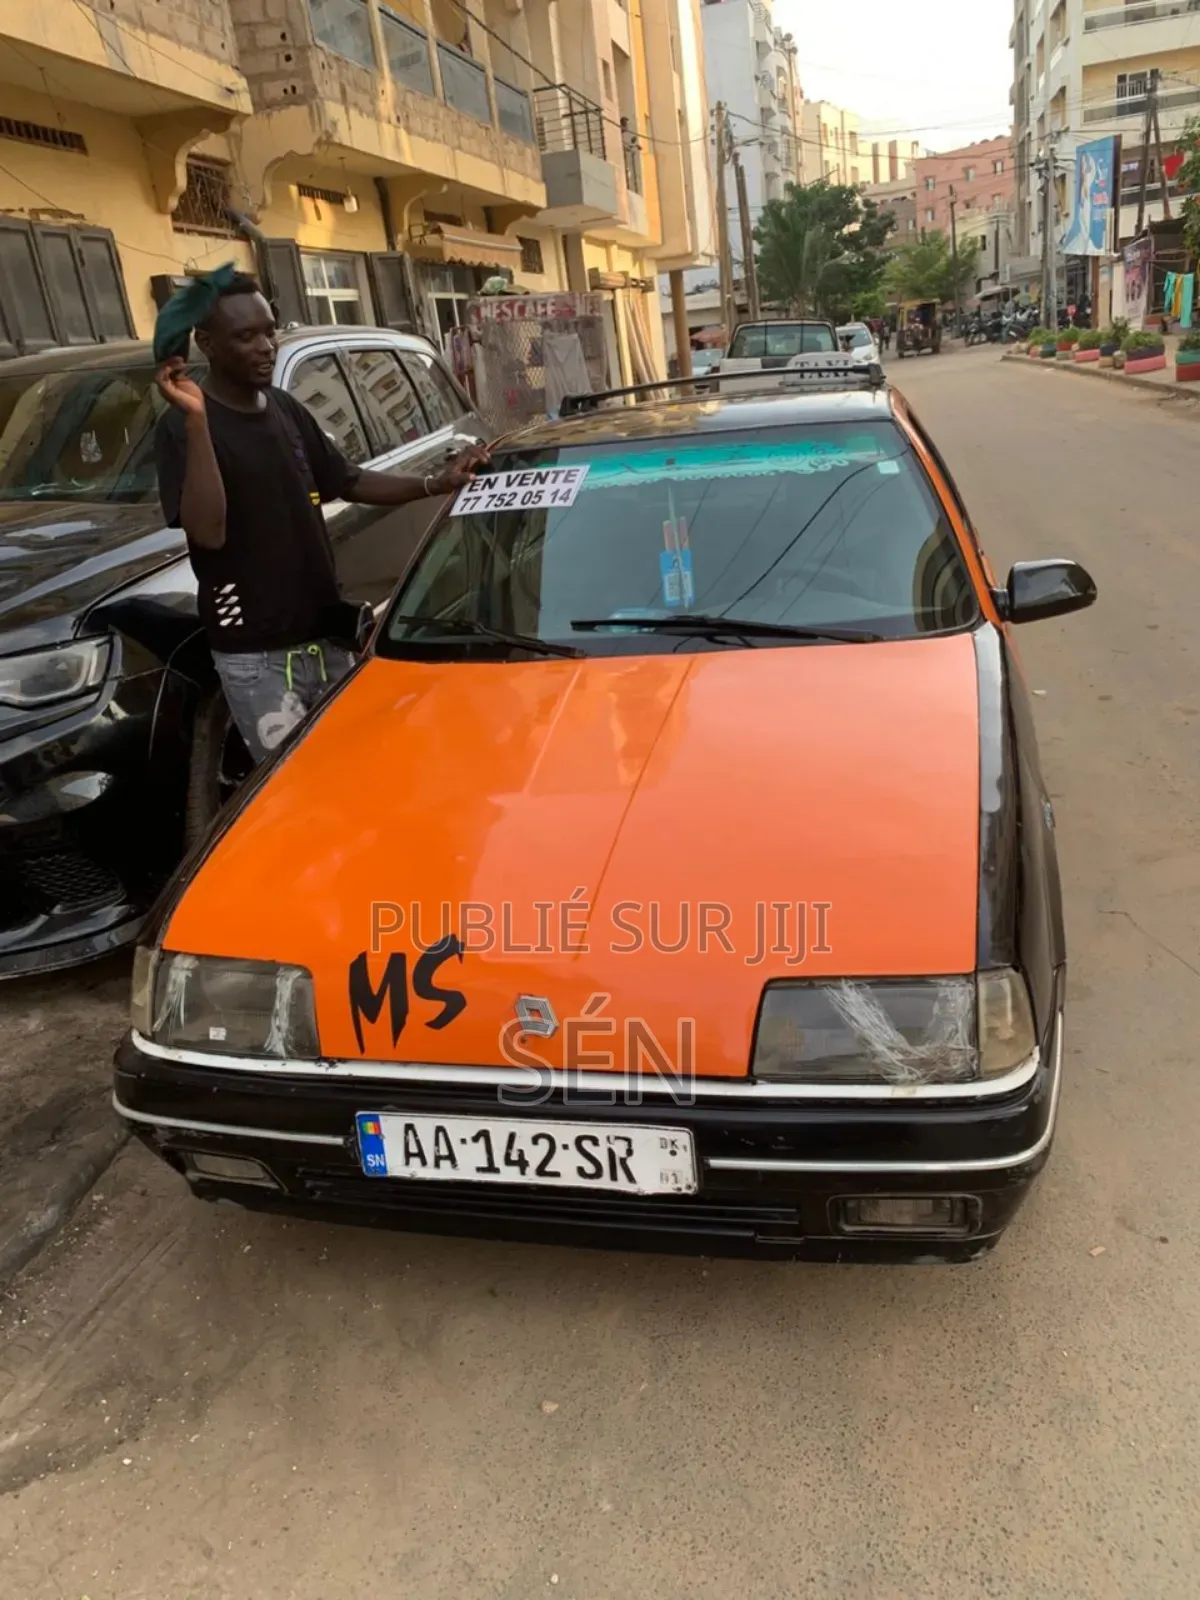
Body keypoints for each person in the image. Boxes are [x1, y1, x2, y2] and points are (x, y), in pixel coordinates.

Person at [153, 268, 488, 764]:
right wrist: (197, 420)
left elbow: (347, 479)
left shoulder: (285, 408)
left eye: (269, 330)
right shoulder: (182, 429)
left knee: (359, 771)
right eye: (246, 336)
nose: (267, 346)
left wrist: (434, 485)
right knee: (296, 792)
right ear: (207, 343)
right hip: (258, 656)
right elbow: (208, 530)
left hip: (325, 640)